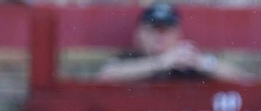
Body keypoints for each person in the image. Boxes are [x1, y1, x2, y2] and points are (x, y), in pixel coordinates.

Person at [97, 2, 243, 84]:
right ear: (139, 34)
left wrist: (202, 63)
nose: (159, 36)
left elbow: (242, 80)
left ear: (178, 35)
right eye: (153, 29)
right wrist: (162, 62)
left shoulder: (188, 62)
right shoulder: (131, 59)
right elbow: (106, 76)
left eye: (165, 30)